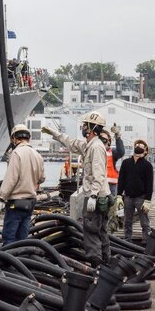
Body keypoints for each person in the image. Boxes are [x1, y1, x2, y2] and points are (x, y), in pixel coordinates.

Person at [42, 111, 112, 268]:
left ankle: (98, 268)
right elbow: (71, 143)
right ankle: (106, 264)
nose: (83, 127)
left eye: (85, 125)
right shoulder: (90, 146)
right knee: (100, 232)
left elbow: (98, 174)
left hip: (97, 197)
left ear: (92, 128)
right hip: (99, 196)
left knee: (92, 233)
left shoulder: (96, 148)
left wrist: (93, 195)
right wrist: (55, 133)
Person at [0, 124, 45, 245]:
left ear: (14, 138)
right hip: (30, 202)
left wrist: (1, 197)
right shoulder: (37, 155)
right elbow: (42, 178)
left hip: (16, 204)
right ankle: (22, 261)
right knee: (22, 240)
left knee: (9, 239)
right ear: (28, 137)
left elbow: (11, 178)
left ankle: (8, 262)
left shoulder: (16, 153)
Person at [116, 139, 153, 245]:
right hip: (128, 197)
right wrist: (119, 195)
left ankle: (146, 241)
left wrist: (148, 200)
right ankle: (127, 240)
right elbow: (121, 179)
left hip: (141, 198)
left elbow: (149, 184)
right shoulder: (126, 163)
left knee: (144, 222)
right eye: (137, 144)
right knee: (127, 221)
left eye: (142, 145)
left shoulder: (147, 165)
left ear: (145, 151)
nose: (139, 145)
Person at [99, 123, 125, 196]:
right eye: (100, 139)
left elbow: (121, 152)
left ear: (109, 141)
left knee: (112, 205)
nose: (102, 141)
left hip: (111, 186)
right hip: (97, 184)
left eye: (104, 139)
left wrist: (117, 136)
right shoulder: (94, 150)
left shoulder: (112, 152)